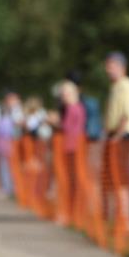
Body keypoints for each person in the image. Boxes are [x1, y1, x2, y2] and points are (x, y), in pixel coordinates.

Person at [102, 51, 129, 233]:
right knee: (113, 178)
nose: (108, 69)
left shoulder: (127, 86)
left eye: (111, 65)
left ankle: (124, 220)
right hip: (114, 135)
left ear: (121, 66)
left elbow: (127, 114)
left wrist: (116, 137)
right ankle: (117, 218)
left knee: (121, 178)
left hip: (122, 137)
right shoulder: (115, 86)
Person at [50, 80, 86, 225]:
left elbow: (67, 127)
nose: (62, 97)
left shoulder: (72, 108)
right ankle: (72, 212)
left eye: (64, 94)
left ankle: (68, 213)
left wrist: (53, 121)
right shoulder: (79, 107)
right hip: (75, 147)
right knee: (72, 181)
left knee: (67, 181)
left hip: (70, 148)